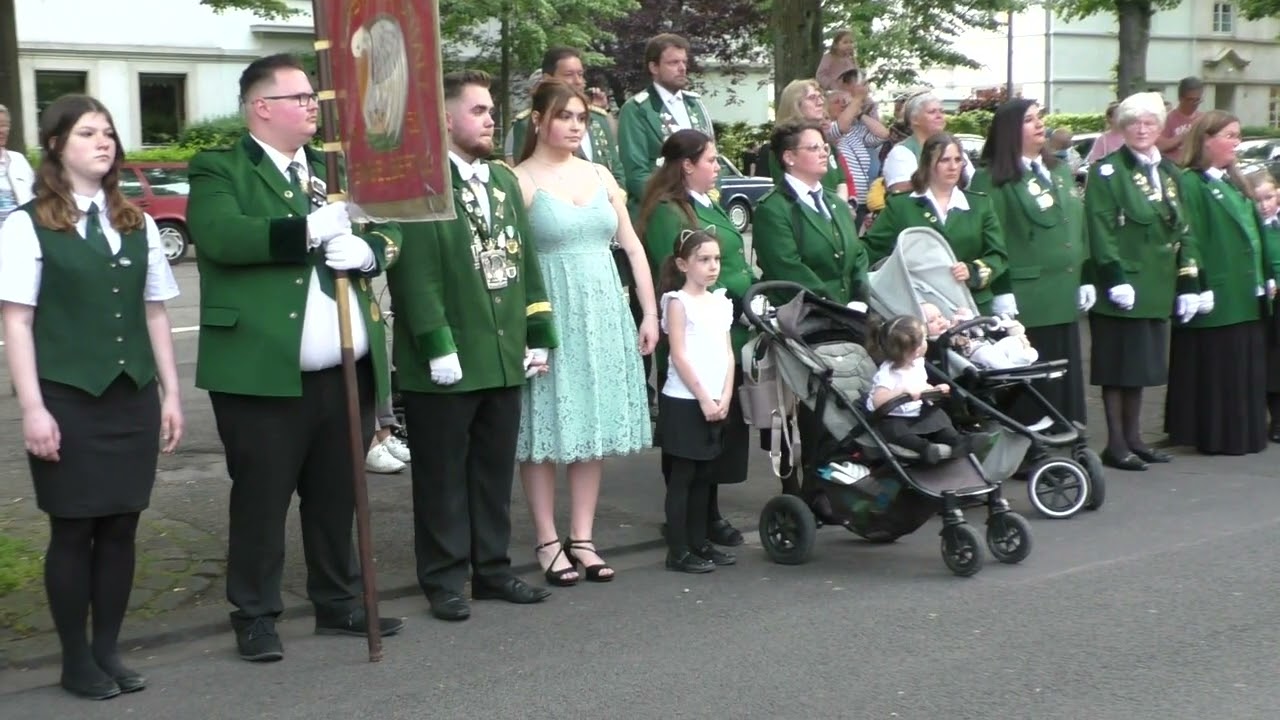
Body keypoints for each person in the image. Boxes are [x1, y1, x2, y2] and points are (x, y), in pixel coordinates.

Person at [186, 53, 405, 659]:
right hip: (260, 372)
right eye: (300, 97)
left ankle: (338, 602)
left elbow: (393, 226)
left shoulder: (334, 168)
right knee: (261, 500)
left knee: (336, 494)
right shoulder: (220, 168)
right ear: (262, 107)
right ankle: (255, 614)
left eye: (313, 96)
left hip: (344, 370)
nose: (314, 105)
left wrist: (370, 252)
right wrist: (309, 230)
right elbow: (221, 236)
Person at [0, 94, 183, 699]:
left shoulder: (137, 223)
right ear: (56, 145)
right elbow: (17, 321)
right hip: (67, 398)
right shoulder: (26, 224)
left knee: (122, 525)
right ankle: (75, 660)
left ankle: (107, 649)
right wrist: (33, 408)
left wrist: (171, 396)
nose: (103, 141)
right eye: (87, 132)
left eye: (108, 132)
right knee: (74, 529)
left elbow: (154, 313)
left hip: (132, 396)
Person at [388, 69, 559, 621]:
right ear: (444, 118)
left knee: (491, 473)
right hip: (448, 358)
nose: (490, 120)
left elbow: (524, 261)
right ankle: (443, 579)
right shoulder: (419, 182)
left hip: (502, 354)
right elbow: (416, 274)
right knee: (441, 478)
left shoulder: (502, 180)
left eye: (490, 110)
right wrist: (436, 344)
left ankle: (492, 570)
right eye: (478, 110)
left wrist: (538, 334)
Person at [513, 79, 657, 585]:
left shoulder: (599, 173)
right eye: (564, 116)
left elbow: (632, 247)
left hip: (603, 312)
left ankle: (583, 537)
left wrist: (649, 312)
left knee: (589, 424)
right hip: (549, 311)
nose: (576, 126)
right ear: (538, 121)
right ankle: (546, 539)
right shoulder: (518, 179)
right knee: (543, 425)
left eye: (581, 118)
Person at [637, 129, 754, 547]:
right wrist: (737, 291)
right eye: (711, 160)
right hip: (689, 328)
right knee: (688, 439)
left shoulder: (706, 203)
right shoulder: (668, 210)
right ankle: (687, 523)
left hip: (722, 327)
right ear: (687, 165)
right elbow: (673, 268)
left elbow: (731, 258)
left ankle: (707, 513)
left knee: (715, 432)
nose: (718, 167)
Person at [1083, 91, 1200, 471]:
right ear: (1122, 127)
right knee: (1117, 368)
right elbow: (1100, 228)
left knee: (1140, 369)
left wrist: (1190, 280)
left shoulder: (1169, 173)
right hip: (1123, 285)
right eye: (1134, 123)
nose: (1142, 129)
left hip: (1156, 283)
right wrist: (1113, 276)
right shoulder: (1108, 171)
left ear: (1160, 127)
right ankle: (1116, 444)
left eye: (1150, 122)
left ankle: (1134, 439)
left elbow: (1184, 229)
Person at [752, 120, 869, 495]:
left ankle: (831, 487)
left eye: (824, 147)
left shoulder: (834, 202)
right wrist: (833, 305)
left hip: (845, 318)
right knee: (803, 408)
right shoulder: (774, 208)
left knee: (843, 405)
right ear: (789, 157)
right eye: (814, 147)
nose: (824, 153)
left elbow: (857, 254)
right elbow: (786, 266)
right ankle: (797, 490)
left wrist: (860, 295)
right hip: (803, 320)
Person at [970, 99, 1089, 427]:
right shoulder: (992, 178)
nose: (1040, 125)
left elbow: (1077, 225)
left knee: (1063, 373)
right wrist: (1000, 288)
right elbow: (989, 240)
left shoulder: (1058, 170)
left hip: (1063, 291)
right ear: (1009, 130)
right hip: (1027, 297)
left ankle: (1066, 435)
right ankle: (1029, 443)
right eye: (1029, 120)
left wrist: (1087, 274)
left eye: (1040, 118)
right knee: (1033, 376)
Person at [1165, 111, 1272, 456]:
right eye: (1230, 135)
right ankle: (1220, 436)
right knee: (1222, 371)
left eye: (1238, 135)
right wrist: (1197, 283)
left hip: (1248, 291)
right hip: (1221, 291)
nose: (1237, 143)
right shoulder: (1192, 183)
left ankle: (1246, 433)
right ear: (1206, 140)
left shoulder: (1234, 182)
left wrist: (1267, 274)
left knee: (1246, 369)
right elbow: (1190, 237)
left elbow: (1254, 233)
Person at [656, 230, 737, 573]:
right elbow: (679, 355)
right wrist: (704, 397)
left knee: (706, 474)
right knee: (684, 476)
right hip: (685, 400)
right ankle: (678, 549)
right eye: (703, 259)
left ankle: (700, 541)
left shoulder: (720, 301)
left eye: (716, 259)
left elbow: (728, 354)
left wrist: (726, 395)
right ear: (682, 264)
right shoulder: (678, 302)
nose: (713, 266)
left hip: (715, 400)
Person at [864, 133, 1009, 316]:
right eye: (944, 160)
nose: (953, 167)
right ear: (927, 164)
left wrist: (972, 271)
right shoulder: (901, 206)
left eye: (958, 160)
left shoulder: (980, 205)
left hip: (972, 304)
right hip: (921, 308)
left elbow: (998, 255)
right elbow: (871, 248)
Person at [618, 33, 716, 215]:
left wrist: (712, 200)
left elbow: (712, 158)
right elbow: (636, 174)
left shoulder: (695, 105)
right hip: (659, 212)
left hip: (703, 209)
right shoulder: (637, 109)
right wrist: (675, 208)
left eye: (684, 62)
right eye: (673, 63)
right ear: (654, 67)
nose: (682, 68)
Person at [503, 47, 623, 186]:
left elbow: (617, 171)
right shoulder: (528, 123)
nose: (578, 81)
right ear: (548, 79)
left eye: (580, 74)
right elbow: (527, 176)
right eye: (569, 74)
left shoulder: (599, 119)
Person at [866, 315, 960, 464]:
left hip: (915, 409)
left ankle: (957, 441)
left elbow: (921, 385)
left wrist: (934, 390)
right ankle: (925, 449)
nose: (926, 342)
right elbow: (878, 401)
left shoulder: (918, 363)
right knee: (895, 431)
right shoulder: (888, 373)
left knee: (939, 417)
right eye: (924, 339)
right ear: (916, 350)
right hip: (891, 415)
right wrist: (901, 391)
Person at [759, 79, 849, 205]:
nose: (820, 102)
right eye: (812, 98)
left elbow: (841, 181)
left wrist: (838, 208)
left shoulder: (828, 145)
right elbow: (789, 191)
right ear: (795, 104)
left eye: (820, 97)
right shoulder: (782, 147)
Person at [882, 91, 975, 192]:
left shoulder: (954, 149)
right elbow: (902, 191)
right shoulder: (901, 153)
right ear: (914, 119)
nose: (939, 116)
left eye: (942, 111)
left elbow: (973, 183)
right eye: (932, 112)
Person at [1250, 170, 1280, 441]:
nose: (1264, 205)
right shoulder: (1250, 227)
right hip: (1262, 299)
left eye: (1269, 197)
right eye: (1257, 199)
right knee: (1269, 360)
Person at [0, 104, 35, 225]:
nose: (2, 130)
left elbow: (35, 197)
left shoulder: (18, 160)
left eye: (4, 125)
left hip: (19, 231)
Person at [1157, 77, 1203, 163]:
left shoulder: (1203, 119)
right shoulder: (1167, 118)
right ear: (1180, 98)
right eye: (1190, 100)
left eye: (1197, 100)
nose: (1194, 104)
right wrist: (1184, 136)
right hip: (1174, 166)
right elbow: (1159, 146)